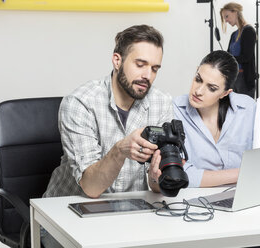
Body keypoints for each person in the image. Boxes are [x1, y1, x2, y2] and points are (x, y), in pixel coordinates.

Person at [41, 24, 172, 247]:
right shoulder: (80, 103)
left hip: (130, 216)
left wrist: (159, 175)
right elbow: (91, 188)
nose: (147, 76)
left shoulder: (161, 103)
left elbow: (156, 187)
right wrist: (120, 150)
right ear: (117, 60)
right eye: (140, 65)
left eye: (155, 68)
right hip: (68, 216)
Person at [173, 50, 260, 188]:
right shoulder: (174, 111)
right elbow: (178, 176)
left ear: (225, 93)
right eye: (198, 79)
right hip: (195, 200)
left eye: (211, 88)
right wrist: (243, 173)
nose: (198, 91)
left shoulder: (248, 108)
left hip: (243, 194)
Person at [220, 2, 256, 98]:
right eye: (224, 18)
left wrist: (229, 60)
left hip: (243, 79)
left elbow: (246, 57)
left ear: (235, 12)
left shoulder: (248, 31)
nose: (226, 20)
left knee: (244, 110)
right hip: (233, 78)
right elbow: (229, 55)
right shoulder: (234, 35)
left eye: (227, 16)